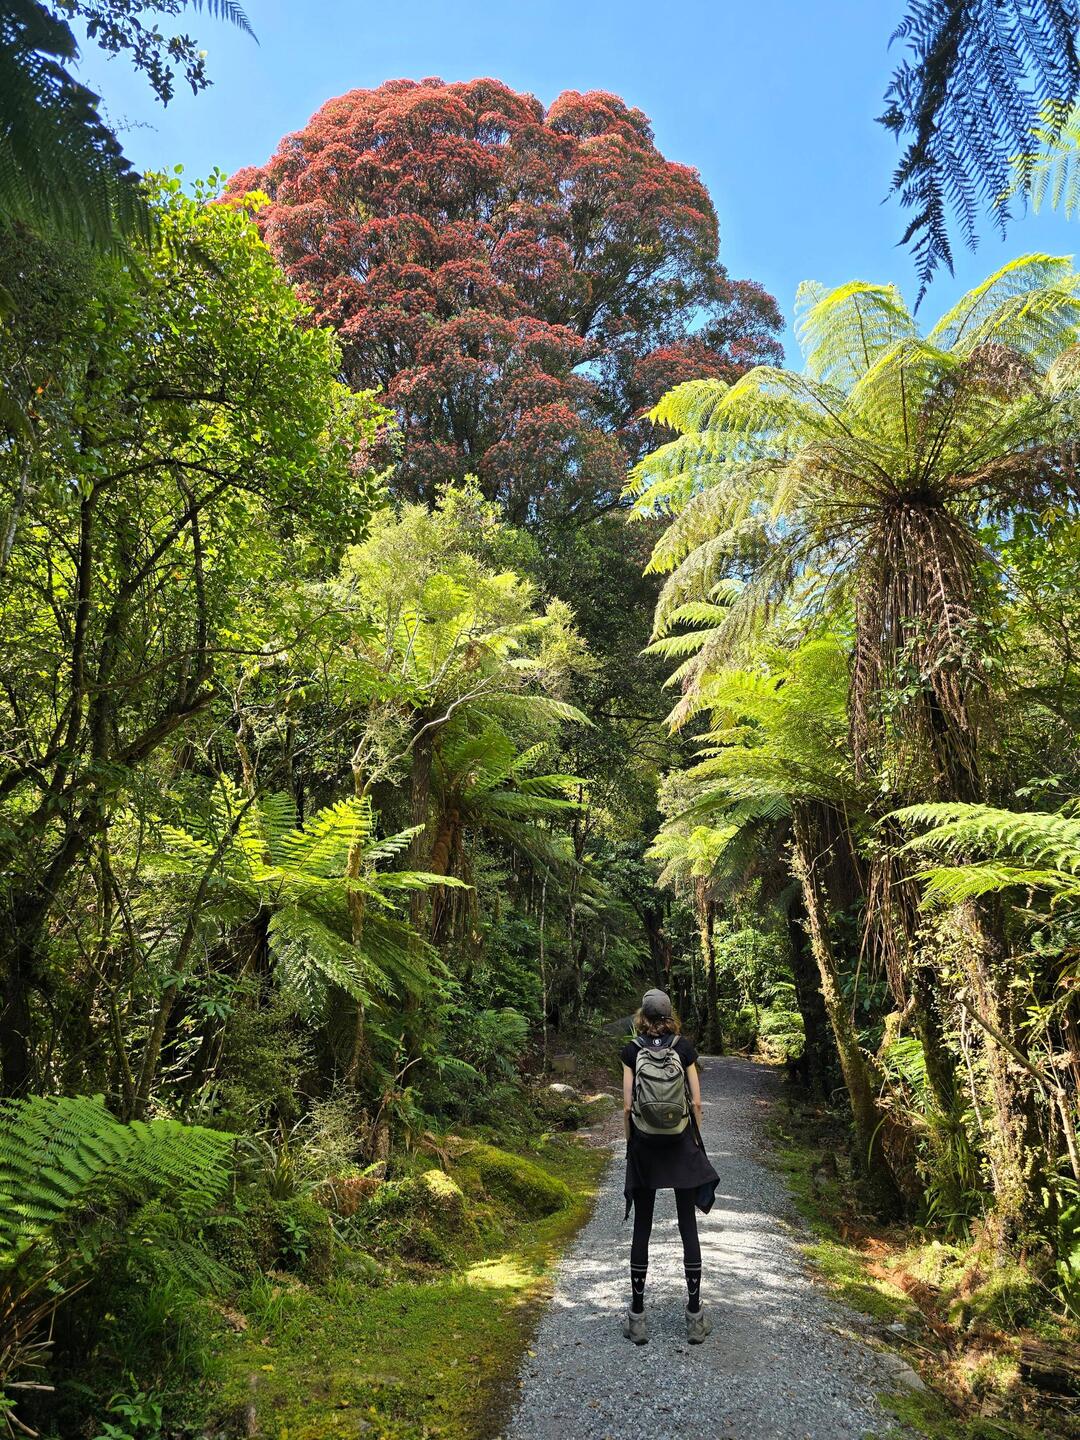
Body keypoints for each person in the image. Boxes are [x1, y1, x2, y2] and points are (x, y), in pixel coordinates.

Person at [620, 988, 719, 1345]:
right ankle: (694, 1318)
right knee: (687, 1225)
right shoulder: (684, 1047)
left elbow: (628, 1105)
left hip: (646, 1145)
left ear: (642, 1017)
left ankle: (637, 1318)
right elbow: (696, 1101)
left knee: (642, 1228)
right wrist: (693, 1139)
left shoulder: (632, 1051)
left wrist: (632, 1145)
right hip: (680, 1143)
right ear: (669, 1015)